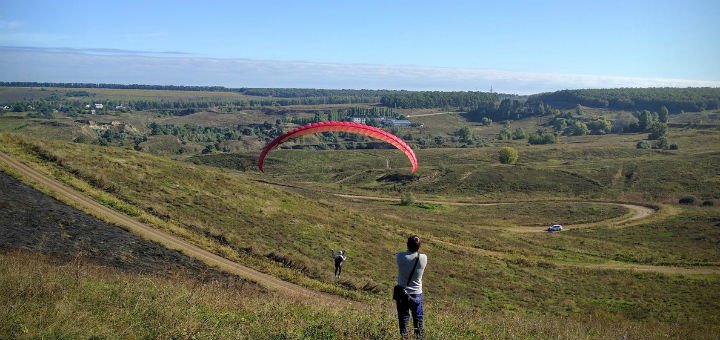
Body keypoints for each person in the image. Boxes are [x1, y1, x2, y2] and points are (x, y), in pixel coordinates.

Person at [395, 235, 427, 339]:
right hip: (416, 293)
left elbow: (402, 254)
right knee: (418, 317)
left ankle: (405, 337)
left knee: (403, 317)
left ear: (407, 245)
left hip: (402, 293)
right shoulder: (423, 258)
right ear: (419, 246)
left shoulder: (400, 256)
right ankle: (419, 337)